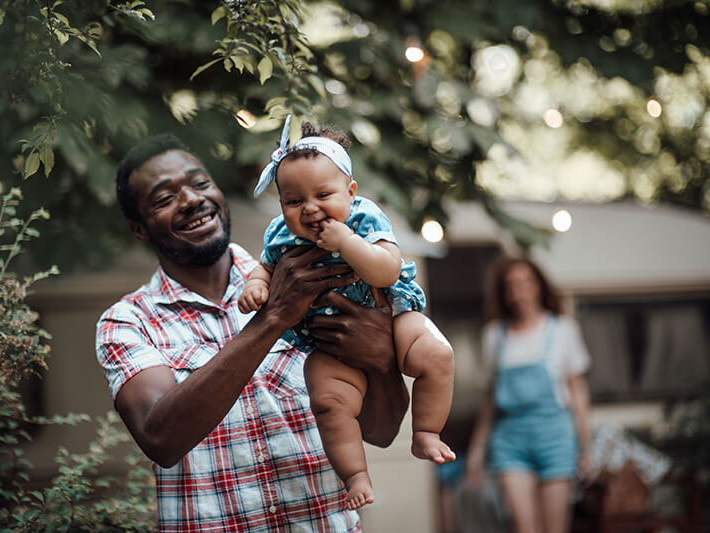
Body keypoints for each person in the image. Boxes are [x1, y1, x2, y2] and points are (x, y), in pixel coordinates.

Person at [95, 132, 411, 532]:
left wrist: (381, 362)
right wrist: (274, 317)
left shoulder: (319, 280)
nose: (191, 200)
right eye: (164, 198)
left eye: (200, 183)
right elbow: (161, 438)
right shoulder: (126, 323)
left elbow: (381, 433)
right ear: (139, 229)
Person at [239, 115, 456, 510]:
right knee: (327, 402)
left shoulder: (363, 218)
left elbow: (386, 269)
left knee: (437, 354)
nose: (310, 209)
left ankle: (427, 431)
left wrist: (347, 241)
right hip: (325, 343)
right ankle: (356, 474)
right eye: (293, 200)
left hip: (391, 318)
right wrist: (255, 284)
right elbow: (265, 266)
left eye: (323, 195)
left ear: (350, 192)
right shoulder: (280, 235)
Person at [464, 256, 592, 533]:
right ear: (504, 293)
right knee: (525, 528)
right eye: (511, 285)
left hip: (555, 436)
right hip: (510, 439)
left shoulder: (563, 330)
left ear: (538, 286)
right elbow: (489, 401)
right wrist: (476, 452)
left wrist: (584, 447)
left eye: (525, 283)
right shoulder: (494, 336)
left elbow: (578, 392)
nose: (518, 291)